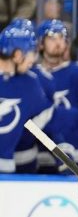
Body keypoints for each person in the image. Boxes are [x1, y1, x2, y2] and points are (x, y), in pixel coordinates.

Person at [36, 19, 78, 173]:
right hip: (41, 155)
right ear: (41, 43)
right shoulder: (32, 76)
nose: (58, 42)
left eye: (62, 38)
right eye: (52, 38)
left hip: (77, 154)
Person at [0, 18, 52, 173]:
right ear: (16, 54)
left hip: (6, 173)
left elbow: (51, 117)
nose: (33, 60)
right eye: (31, 53)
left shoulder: (29, 83)